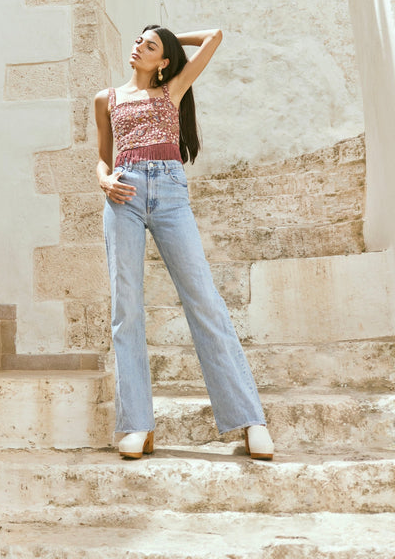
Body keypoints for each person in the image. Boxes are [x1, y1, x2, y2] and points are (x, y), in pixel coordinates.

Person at [94, 24, 274, 461]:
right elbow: (103, 154)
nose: (138, 47)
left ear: (165, 62)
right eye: (138, 40)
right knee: (126, 308)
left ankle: (250, 421)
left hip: (171, 195)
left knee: (204, 301)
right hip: (124, 197)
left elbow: (214, 36)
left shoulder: (173, 89)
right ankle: (137, 425)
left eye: (149, 45)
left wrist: (171, 39)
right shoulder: (107, 99)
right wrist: (103, 179)